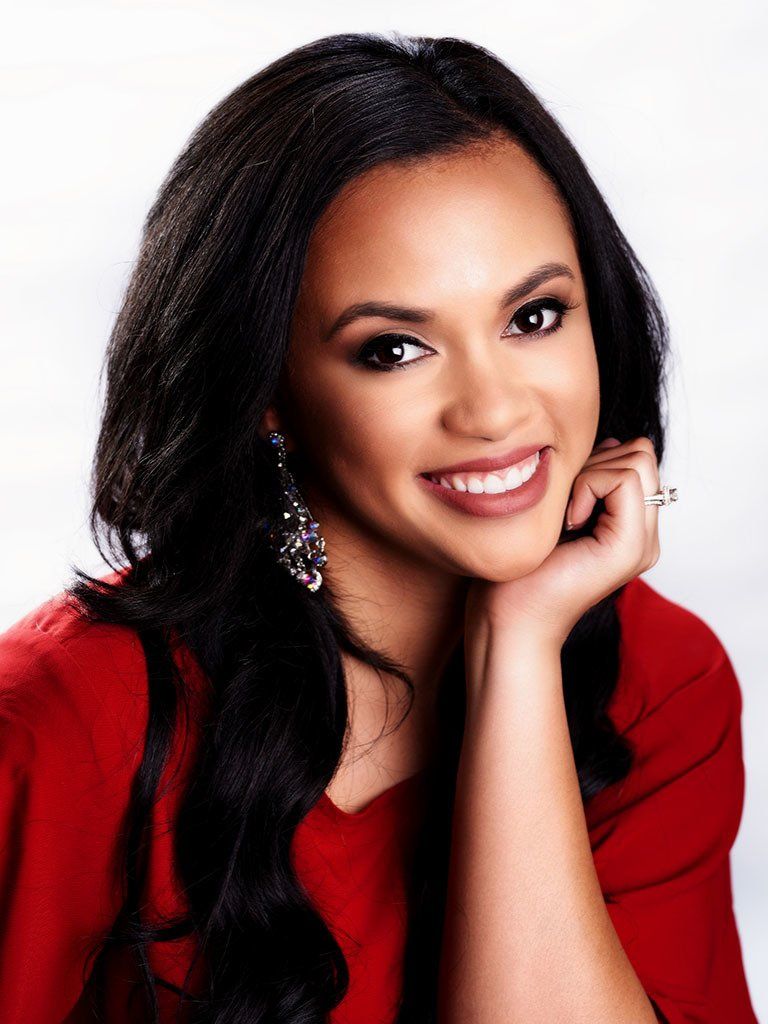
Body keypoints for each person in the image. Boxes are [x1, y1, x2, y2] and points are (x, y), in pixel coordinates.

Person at [0, 30, 758, 1024]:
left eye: (534, 317)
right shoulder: (63, 719)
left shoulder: (660, 683)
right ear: (267, 392)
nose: (494, 409)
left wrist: (518, 648)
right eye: (394, 348)